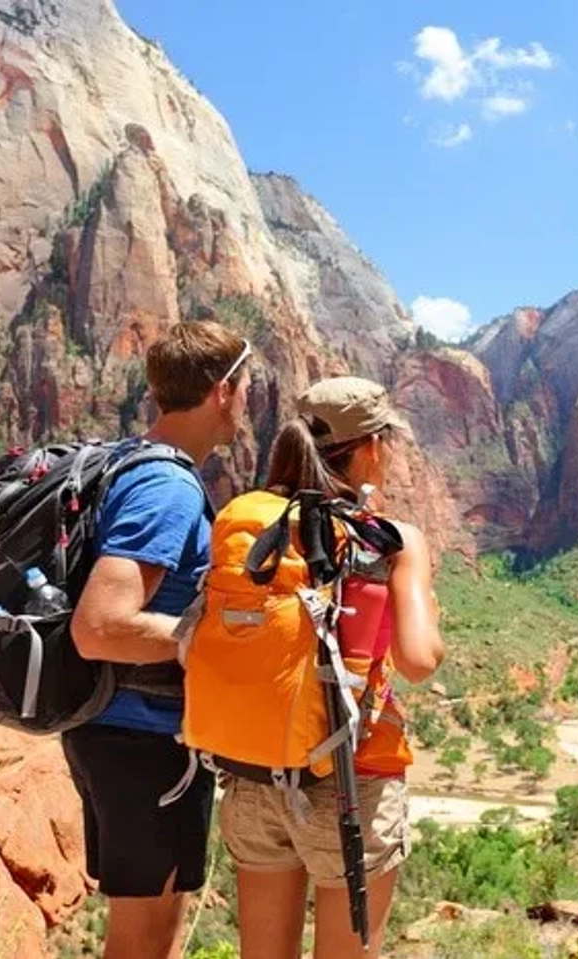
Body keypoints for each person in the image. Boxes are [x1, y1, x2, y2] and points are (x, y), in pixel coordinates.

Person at [219, 376, 445, 959]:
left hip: (256, 773)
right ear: (372, 448)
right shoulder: (393, 539)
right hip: (353, 781)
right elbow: (420, 660)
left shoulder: (255, 526)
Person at [64, 321, 252, 959]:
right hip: (141, 739)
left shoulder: (131, 461)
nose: (247, 401)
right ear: (223, 391)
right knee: (143, 940)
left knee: (151, 932)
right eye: (245, 387)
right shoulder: (168, 487)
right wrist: (214, 639)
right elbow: (100, 626)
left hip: (120, 731)